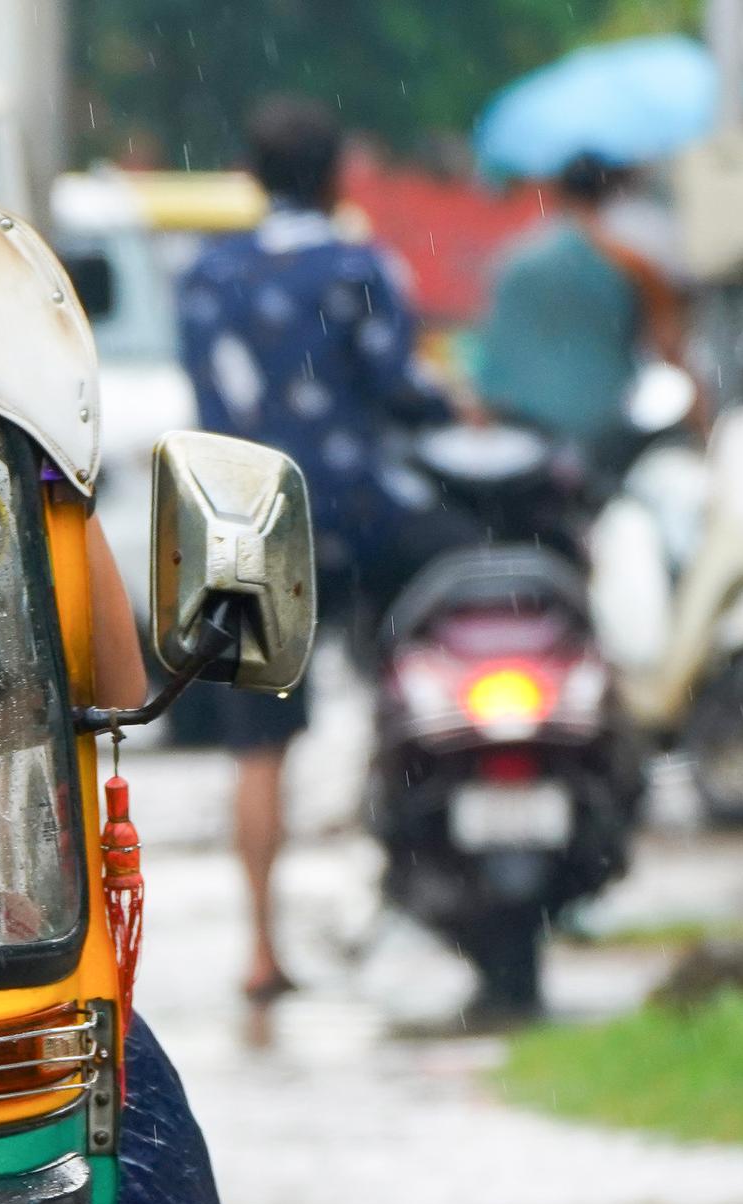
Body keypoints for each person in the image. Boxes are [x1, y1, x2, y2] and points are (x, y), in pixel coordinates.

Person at [176, 95, 461, 1008]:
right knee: (423, 674)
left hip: (252, 522)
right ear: (338, 175)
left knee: (258, 748)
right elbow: (403, 389)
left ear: (252, 178)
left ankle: (262, 948)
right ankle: (417, 882)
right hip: (359, 518)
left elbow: (213, 397)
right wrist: (459, 411)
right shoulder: (358, 268)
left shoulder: (206, 275)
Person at [473, 155, 685, 475]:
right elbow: (670, 348)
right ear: (613, 192)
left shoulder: (516, 260)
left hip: (520, 429)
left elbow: (492, 356)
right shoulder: (632, 266)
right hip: (604, 433)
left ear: (556, 190)